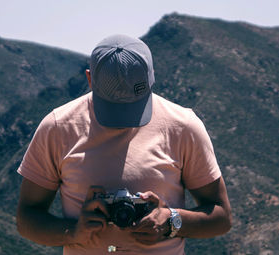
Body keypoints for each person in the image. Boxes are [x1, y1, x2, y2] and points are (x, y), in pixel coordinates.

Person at [16, 34, 232, 254]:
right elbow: (27, 218)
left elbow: (221, 217)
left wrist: (171, 221)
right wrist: (73, 231)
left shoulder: (183, 127)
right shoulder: (58, 127)